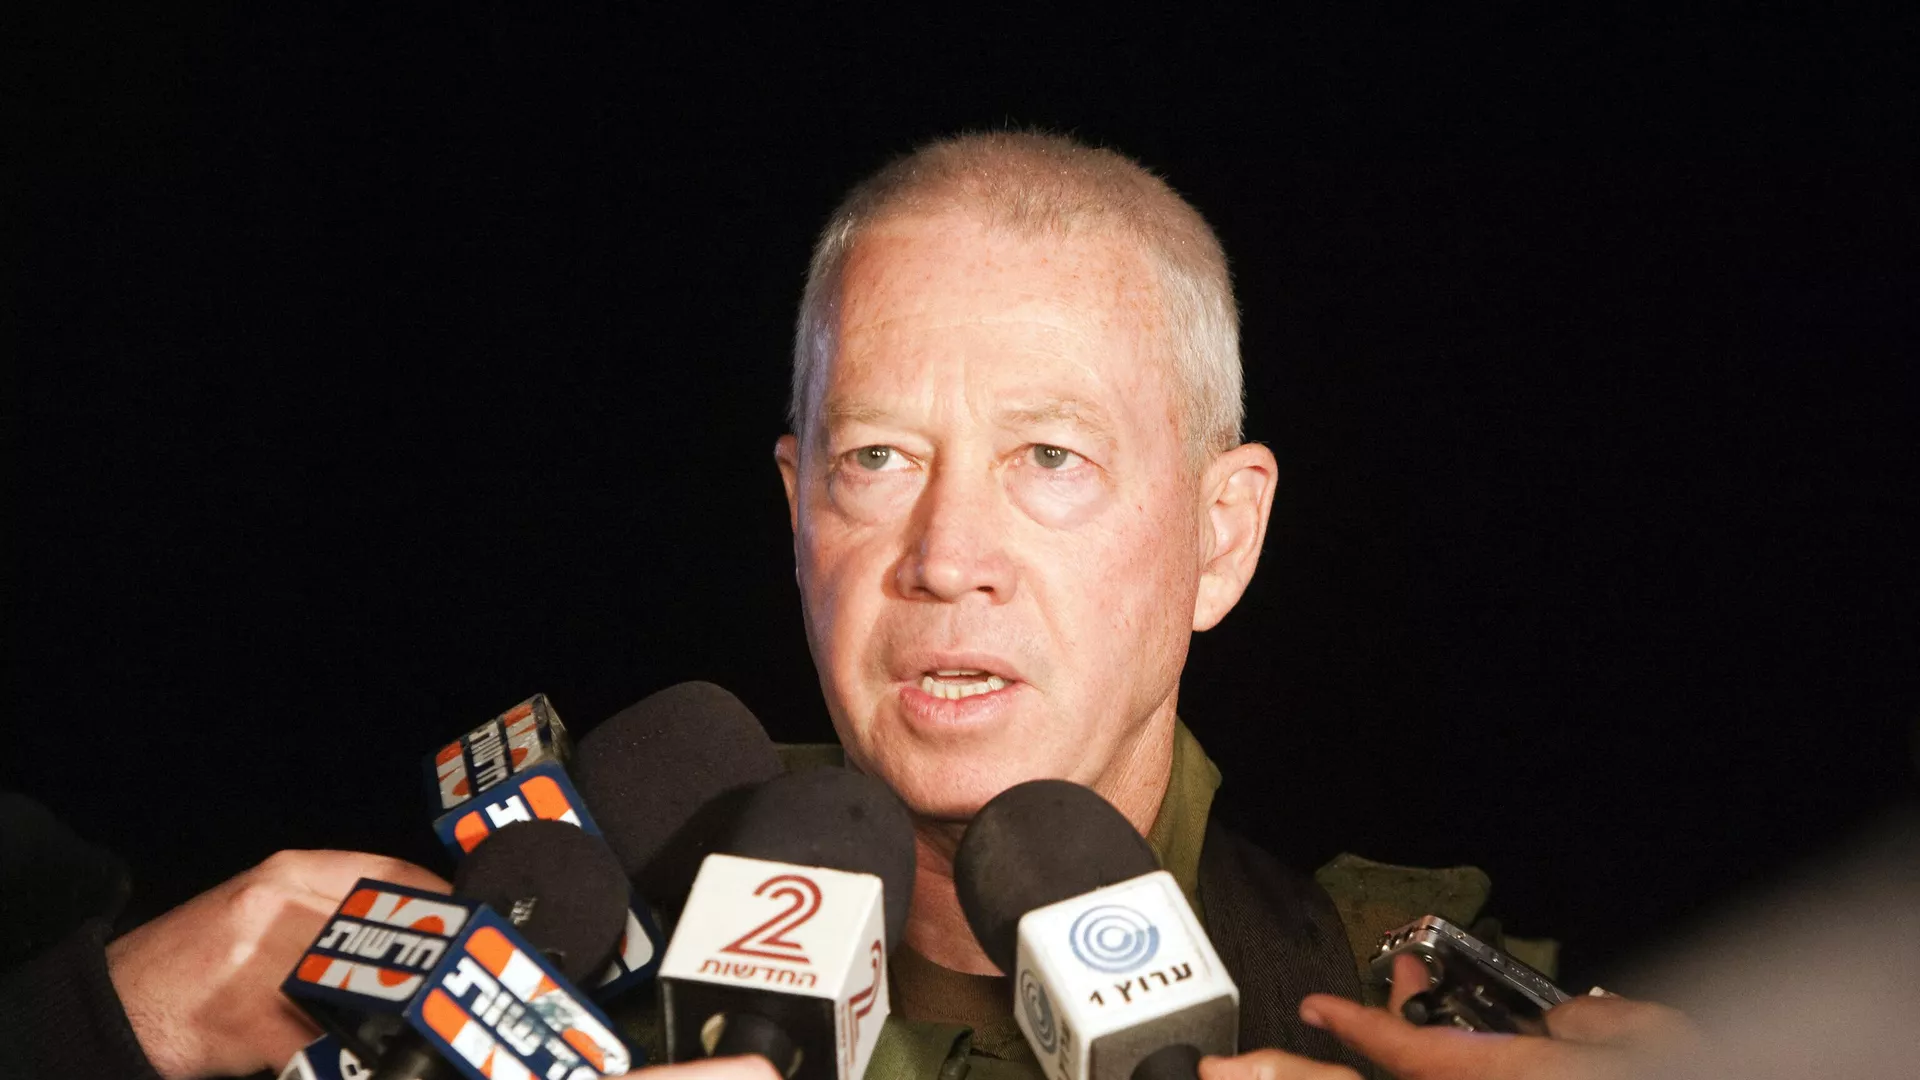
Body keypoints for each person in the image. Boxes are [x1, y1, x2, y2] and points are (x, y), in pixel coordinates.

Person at [765, 130, 1678, 1080]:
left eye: (1051, 457)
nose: (948, 560)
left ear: (1222, 537)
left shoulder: (1434, 1033)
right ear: (799, 517)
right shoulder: (649, 957)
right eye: (877, 457)